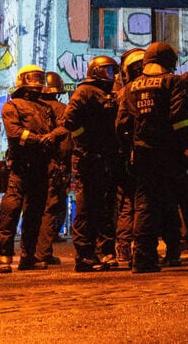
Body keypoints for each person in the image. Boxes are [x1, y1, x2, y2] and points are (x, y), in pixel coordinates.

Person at [115, 42, 188, 273]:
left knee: (145, 205)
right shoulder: (174, 82)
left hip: (144, 156)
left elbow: (122, 124)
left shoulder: (129, 89)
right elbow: (179, 119)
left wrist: (129, 153)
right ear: (169, 61)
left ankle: (143, 260)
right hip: (172, 155)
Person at [0, 64, 62, 273]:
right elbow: (14, 132)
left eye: (39, 79)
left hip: (40, 166)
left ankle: (28, 257)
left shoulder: (46, 107)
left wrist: (50, 138)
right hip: (19, 166)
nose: (36, 83)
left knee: (34, 213)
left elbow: (58, 127)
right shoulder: (12, 106)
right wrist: (37, 139)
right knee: (12, 209)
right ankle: (4, 257)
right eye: (32, 78)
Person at [64, 56, 122, 272]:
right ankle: (84, 255)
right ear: (96, 72)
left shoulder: (110, 94)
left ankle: (106, 251)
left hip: (106, 158)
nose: (112, 76)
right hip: (89, 159)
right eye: (107, 71)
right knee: (86, 208)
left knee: (106, 208)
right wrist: (86, 141)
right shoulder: (85, 92)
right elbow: (69, 121)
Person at [36, 71, 72, 266]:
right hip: (55, 166)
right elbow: (66, 143)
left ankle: (30, 252)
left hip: (33, 167)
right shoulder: (63, 110)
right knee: (51, 209)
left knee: (34, 208)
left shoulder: (32, 107)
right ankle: (43, 252)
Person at [114, 48, 145, 266]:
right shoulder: (128, 91)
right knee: (139, 203)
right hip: (137, 153)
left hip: (126, 154)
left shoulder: (121, 91)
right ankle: (135, 247)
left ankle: (127, 247)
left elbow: (119, 125)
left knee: (128, 203)